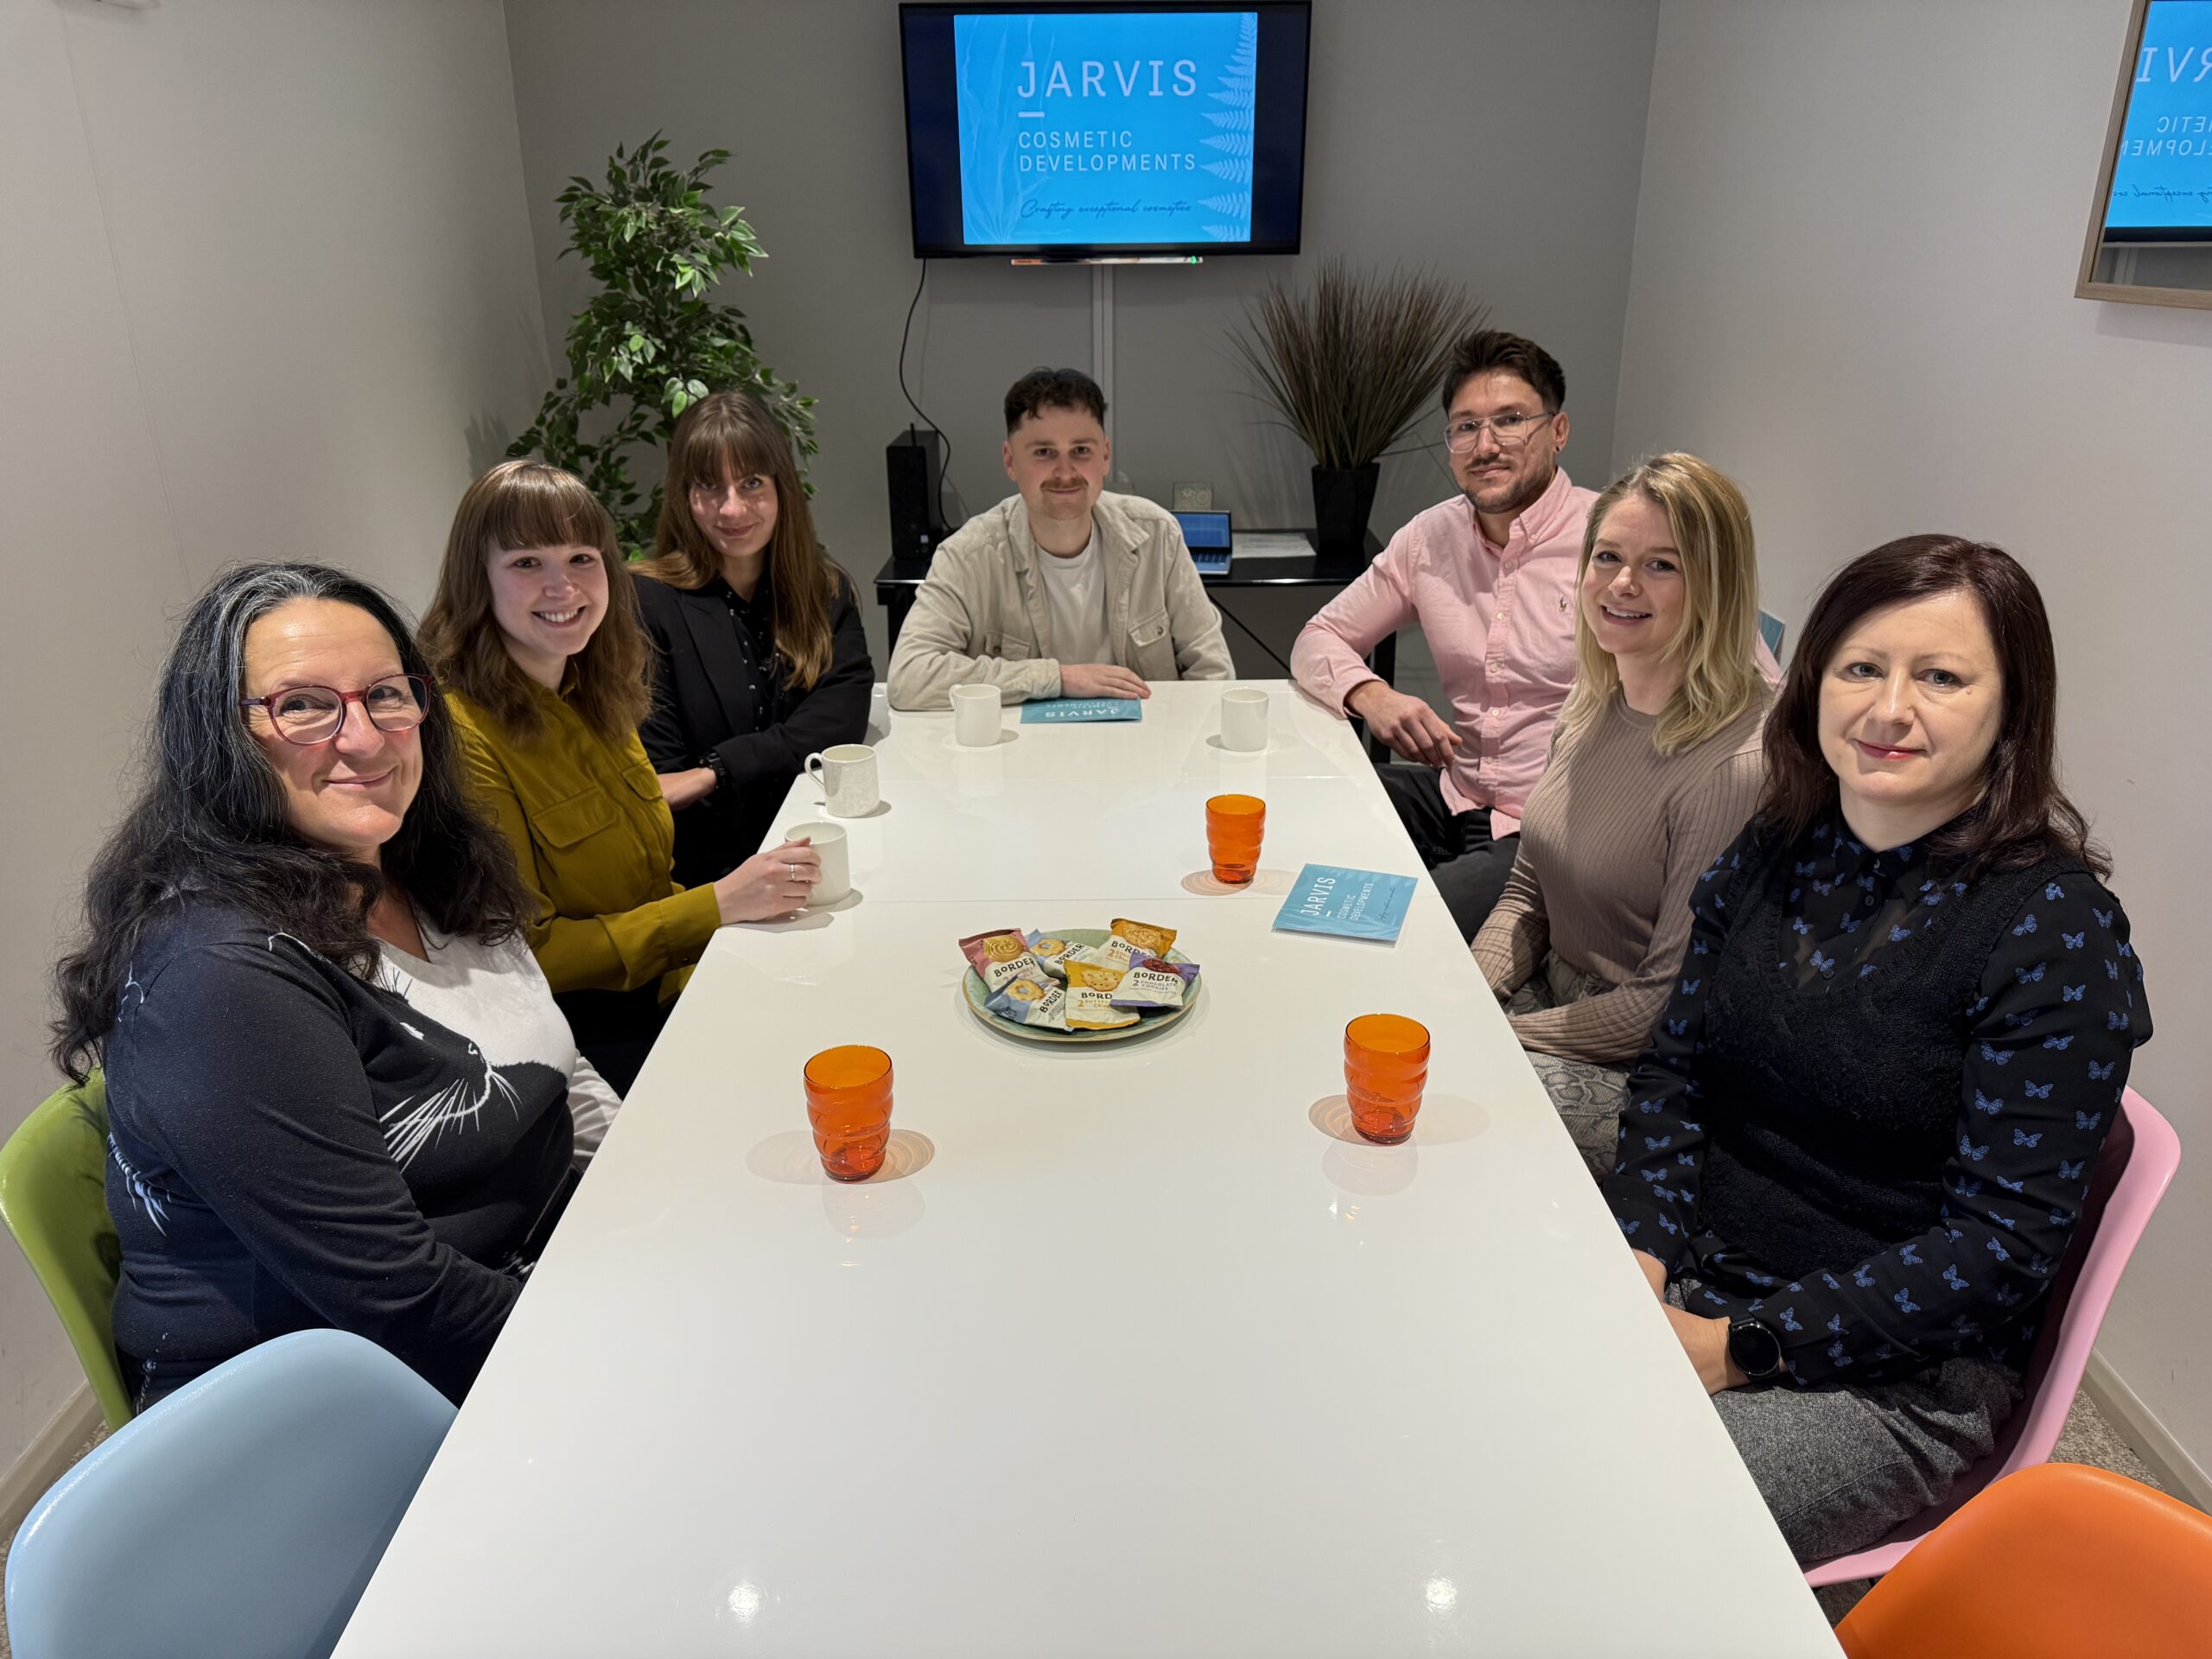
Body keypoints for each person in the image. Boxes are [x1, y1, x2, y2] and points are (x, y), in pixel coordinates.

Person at [1602, 536, 2150, 1565]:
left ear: (2010, 710)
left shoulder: (2054, 933)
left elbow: (1999, 1250)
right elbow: (1678, 1072)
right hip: (1705, 1267)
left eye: (1939, 677)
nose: (1888, 709)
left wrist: (1739, 1348)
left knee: (1611, 1520)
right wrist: (1642, 1252)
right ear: (1813, 684)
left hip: (1894, 1376)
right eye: (1862, 668)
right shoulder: (1778, 845)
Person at [53, 563, 615, 1408]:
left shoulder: (421, 865)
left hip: (522, 1295)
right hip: (335, 1419)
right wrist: (621, 1342)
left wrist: (641, 1193)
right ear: (221, 737)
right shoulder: (219, 979)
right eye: (304, 706)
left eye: (386, 694)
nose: (363, 738)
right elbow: (396, 1302)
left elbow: (557, 1067)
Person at [420, 461, 816, 1094]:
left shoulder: (590, 686)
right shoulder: (462, 737)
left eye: (581, 558)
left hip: (667, 983)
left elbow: (649, 882)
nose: (563, 586)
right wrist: (718, 904)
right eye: (527, 563)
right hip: (587, 1037)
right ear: (476, 581)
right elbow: (530, 956)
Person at [1471, 454, 1773, 1173]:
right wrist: (1469, 995)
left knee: (1454, 1094)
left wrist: (1490, 1035)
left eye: (1662, 565)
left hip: (1656, 1073)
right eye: (1607, 556)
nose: (1622, 584)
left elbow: (1659, 1009)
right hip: (1555, 1008)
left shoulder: (1735, 766)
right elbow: (1526, 892)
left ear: (1716, 587)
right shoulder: (1592, 702)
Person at [1291, 330, 1594, 940]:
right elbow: (1317, 638)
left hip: (1556, 827)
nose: (1486, 445)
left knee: (1404, 930)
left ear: (1558, 431)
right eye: (1465, 427)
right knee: (1296, 828)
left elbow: (1736, 683)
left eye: (1510, 421)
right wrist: (1375, 697)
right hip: (1456, 791)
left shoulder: (1610, 541)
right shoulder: (1431, 538)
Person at [635, 391, 874, 888]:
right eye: (708, 486)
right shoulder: (646, 601)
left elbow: (841, 717)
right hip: (710, 875)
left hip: (826, 841)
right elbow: (664, 778)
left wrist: (716, 771)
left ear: (782, 487)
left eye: (751, 484)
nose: (732, 507)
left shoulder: (826, 590)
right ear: (684, 495)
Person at [886, 366, 1231, 709]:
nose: (1065, 473)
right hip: (1018, 758)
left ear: (1105, 456)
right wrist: (1057, 679)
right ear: (1010, 461)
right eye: (1044, 452)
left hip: (1143, 752)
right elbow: (909, 678)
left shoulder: (1157, 535)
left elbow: (1214, 673)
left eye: (1081, 450)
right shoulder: (969, 555)